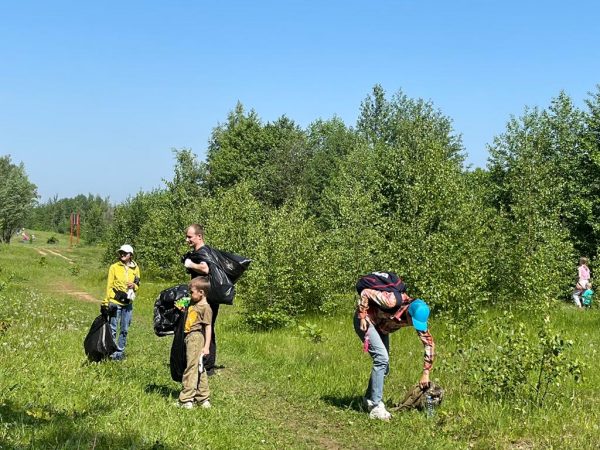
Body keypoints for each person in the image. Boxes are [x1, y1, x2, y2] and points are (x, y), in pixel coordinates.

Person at [354, 274, 435, 421]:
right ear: (408, 313)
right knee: (382, 359)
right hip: (367, 322)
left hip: (382, 328)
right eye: (413, 321)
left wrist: (426, 373)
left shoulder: (418, 316)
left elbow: (429, 343)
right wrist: (362, 315)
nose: (413, 325)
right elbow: (365, 292)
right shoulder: (391, 301)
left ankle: (368, 400)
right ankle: (375, 406)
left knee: (384, 367)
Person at [181, 224, 219, 375]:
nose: (187, 240)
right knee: (201, 327)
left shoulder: (203, 252)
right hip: (202, 296)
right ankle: (201, 361)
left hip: (207, 298)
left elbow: (205, 268)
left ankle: (207, 365)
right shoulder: (201, 251)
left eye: (189, 237)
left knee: (205, 327)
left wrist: (191, 264)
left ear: (199, 236)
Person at [176, 277, 213, 409]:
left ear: (201, 292)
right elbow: (187, 313)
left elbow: (208, 327)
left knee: (191, 368)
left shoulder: (205, 308)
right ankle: (203, 398)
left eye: (192, 292)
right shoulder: (193, 304)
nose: (190, 295)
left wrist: (206, 346)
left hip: (196, 338)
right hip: (189, 337)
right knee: (199, 367)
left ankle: (186, 399)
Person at [101, 244, 141, 361]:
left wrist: (134, 286)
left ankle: (120, 352)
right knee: (113, 328)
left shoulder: (135, 268)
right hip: (115, 301)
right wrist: (106, 301)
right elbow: (109, 285)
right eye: (121, 253)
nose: (122, 255)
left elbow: (138, 283)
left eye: (125, 253)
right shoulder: (114, 267)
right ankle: (111, 352)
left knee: (124, 329)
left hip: (128, 303)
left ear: (131, 255)